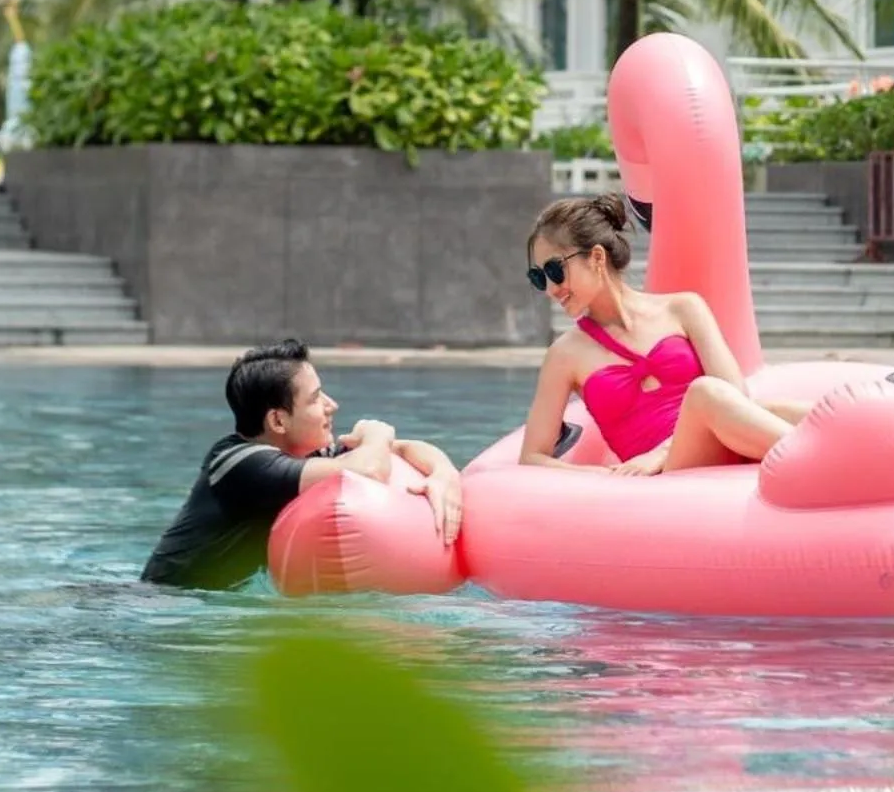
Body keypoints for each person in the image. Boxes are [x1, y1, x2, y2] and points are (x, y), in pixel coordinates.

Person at [519, 194, 808, 475]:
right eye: (538, 277)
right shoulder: (564, 354)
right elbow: (533, 456)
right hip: (666, 476)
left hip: (714, 443)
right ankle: (816, 458)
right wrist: (608, 474)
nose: (550, 289)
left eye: (555, 270)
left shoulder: (684, 308)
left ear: (596, 257)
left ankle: (838, 451)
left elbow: (735, 395)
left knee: (785, 410)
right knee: (703, 393)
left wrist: (662, 451)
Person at [141, 339, 463, 589]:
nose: (331, 406)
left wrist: (444, 473)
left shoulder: (300, 456)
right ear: (278, 420)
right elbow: (370, 469)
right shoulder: (240, 465)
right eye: (315, 398)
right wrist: (379, 430)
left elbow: (405, 449)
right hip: (165, 606)